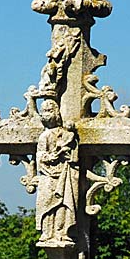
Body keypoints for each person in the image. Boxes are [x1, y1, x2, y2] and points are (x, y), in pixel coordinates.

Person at [35, 100, 77, 247]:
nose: (45, 115)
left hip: (64, 173)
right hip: (48, 176)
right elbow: (40, 156)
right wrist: (49, 157)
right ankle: (47, 233)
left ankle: (62, 232)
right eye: (43, 111)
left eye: (49, 111)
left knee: (63, 204)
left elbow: (72, 152)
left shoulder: (65, 134)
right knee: (47, 205)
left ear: (57, 113)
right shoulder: (44, 136)